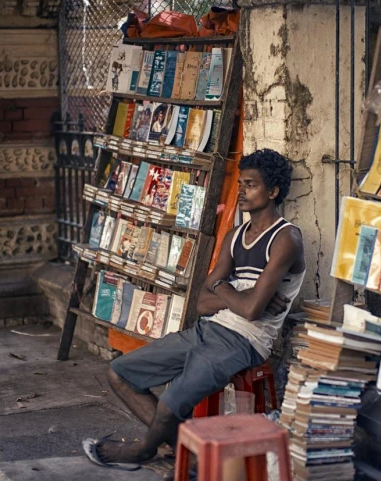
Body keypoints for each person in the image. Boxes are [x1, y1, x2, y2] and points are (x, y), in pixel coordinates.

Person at [83, 148, 305, 469]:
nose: (241, 190)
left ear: (272, 192)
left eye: (251, 185)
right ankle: (190, 457)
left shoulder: (286, 239)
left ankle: (143, 451)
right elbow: (203, 304)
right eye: (241, 183)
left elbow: (252, 311)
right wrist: (239, 294)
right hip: (207, 330)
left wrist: (226, 289)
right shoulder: (234, 236)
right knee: (119, 374)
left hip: (244, 343)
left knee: (170, 405)